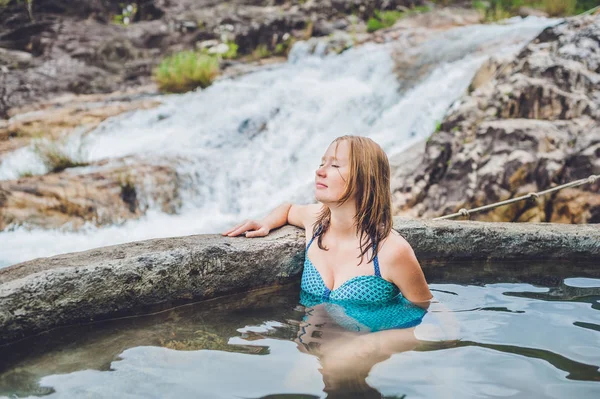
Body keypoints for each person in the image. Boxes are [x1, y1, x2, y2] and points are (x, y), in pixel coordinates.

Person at [223, 135, 433, 306]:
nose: (319, 171)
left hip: (363, 354)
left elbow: (425, 309)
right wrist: (266, 223)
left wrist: (375, 345)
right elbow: (288, 209)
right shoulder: (315, 222)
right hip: (311, 355)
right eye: (322, 163)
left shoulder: (392, 251)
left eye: (334, 165)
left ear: (365, 179)